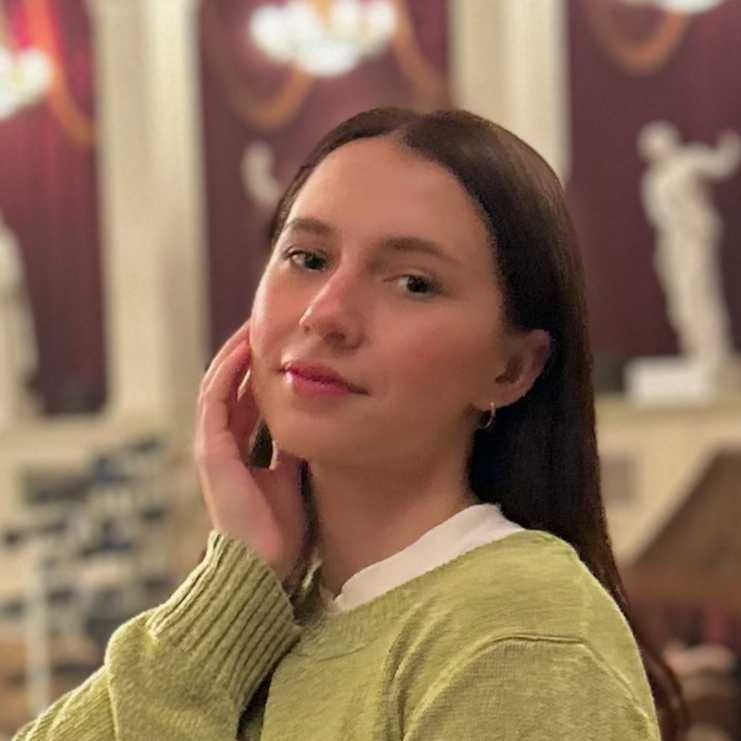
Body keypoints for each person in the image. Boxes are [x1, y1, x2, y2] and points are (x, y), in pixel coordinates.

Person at [14, 107, 686, 740]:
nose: (326, 314)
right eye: (307, 259)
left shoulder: (521, 636)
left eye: (413, 283)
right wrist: (234, 584)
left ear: (510, 369)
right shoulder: (274, 613)